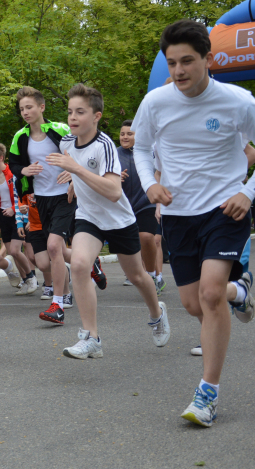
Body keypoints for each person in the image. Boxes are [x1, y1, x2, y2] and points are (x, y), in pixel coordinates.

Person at [132, 20, 255, 427]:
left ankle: (208, 394)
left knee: (210, 293)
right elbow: (143, 148)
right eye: (172, 63)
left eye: (188, 61)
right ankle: (243, 290)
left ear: (209, 59)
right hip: (179, 216)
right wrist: (150, 184)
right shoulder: (155, 102)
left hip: (225, 209)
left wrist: (247, 193)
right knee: (191, 303)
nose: (179, 70)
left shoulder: (239, 102)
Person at [44, 84, 169, 361]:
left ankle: (157, 313)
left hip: (118, 219)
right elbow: (74, 167)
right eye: (69, 112)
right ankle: (92, 338)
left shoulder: (105, 146)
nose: (72, 117)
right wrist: (74, 181)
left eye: (80, 112)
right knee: (78, 264)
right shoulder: (66, 143)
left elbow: (114, 192)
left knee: (137, 276)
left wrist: (75, 170)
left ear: (97, 116)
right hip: (88, 217)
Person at [9, 87, 106, 324]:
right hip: (40, 198)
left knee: (54, 247)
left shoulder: (60, 130)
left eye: (29, 107)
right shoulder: (20, 137)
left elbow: (81, 151)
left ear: (41, 107)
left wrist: (73, 176)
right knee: (49, 258)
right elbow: (13, 164)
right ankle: (90, 261)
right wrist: (24, 170)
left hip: (65, 196)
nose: (25, 112)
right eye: (22, 109)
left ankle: (58, 304)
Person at [117, 120, 161, 294]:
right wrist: (114, 177)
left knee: (147, 237)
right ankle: (138, 273)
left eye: (130, 133)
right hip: (123, 206)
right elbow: (102, 175)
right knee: (130, 243)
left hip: (146, 203)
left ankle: (151, 275)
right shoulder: (113, 153)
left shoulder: (148, 153)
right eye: (122, 134)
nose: (125, 137)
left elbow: (160, 173)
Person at [0, 142, 35, 294]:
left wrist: (14, 209)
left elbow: (21, 195)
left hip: (18, 214)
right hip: (3, 215)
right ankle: (25, 280)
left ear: (1, 158)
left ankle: (32, 278)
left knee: (14, 250)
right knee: (13, 252)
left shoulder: (12, 173)